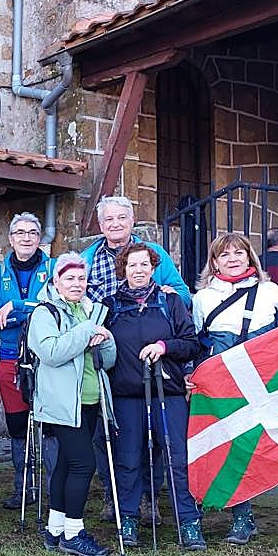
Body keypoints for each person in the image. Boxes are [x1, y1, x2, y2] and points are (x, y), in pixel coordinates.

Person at [192, 232, 278, 556]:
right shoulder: (202, 299)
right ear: (214, 262)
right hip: (227, 389)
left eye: (239, 252)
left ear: (251, 257)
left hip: (268, 386)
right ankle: (243, 518)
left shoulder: (269, 291)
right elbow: (197, 344)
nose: (233, 258)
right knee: (237, 450)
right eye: (225, 255)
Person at [83, 195, 190, 519]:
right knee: (112, 434)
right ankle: (113, 495)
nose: (115, 224)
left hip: (155, 362)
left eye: (121, 218)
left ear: (132, 221)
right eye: (108, 220)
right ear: (101, 226)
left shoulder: (152, 255)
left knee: (155, 438)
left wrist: (168, 297)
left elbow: (182, 292)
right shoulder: (88, 258)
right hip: (109, 360)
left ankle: (149, 496)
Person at [103, 243, 205, 550]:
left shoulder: (170, 302)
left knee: (177, 459)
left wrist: (164, 346)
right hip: (127, 395)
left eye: (144, 265)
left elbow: (191, 343)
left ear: (153, 267)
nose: (138, 270)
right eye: (132, 265)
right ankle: (129, 520)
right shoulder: (110, 305)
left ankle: (188, 522)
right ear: (124, 269)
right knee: (129, 460)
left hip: (167, 393)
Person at [28, 253, 117, 556]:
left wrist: (104, 339)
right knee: (83, 464)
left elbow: (106, 360)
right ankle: (74, 533)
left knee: (67, 462)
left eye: (81, 278)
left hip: (90, 400)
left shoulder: (88, 310)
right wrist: (87, 331)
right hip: (63, 402)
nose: (77, 284)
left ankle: (55, 529)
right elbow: (51, 353)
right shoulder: (45, 313)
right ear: (56, 282)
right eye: (69, 278)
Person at [0, 212, 57, 509]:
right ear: (11, 239)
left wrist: (14, 306)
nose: (26, 237)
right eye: (20, 233)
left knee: (50, 425)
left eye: (32, 232)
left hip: (47, 359)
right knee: (18, 425)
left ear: (39, 238)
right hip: (10, 359)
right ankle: (23, 489)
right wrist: (28, 312)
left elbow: (53, 308)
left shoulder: (54, 268)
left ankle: (53, 490)